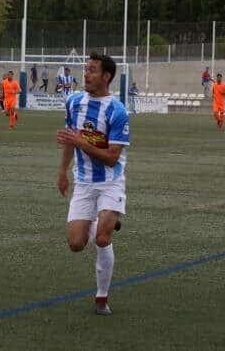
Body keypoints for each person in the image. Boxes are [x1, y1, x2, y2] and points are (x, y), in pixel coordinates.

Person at [56, 52, 130, 316]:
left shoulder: (118, 111)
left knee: (101, 239)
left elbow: (111, 158)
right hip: (84, 183)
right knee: (76, 244)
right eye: (85, 69)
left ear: (106, 77)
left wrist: (81, 143)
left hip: (110, 183)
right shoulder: (74, 102)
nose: (86, 74)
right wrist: (63, 171)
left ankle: (102, 297)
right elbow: (69, 139)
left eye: (92, 70)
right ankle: (105, 220)